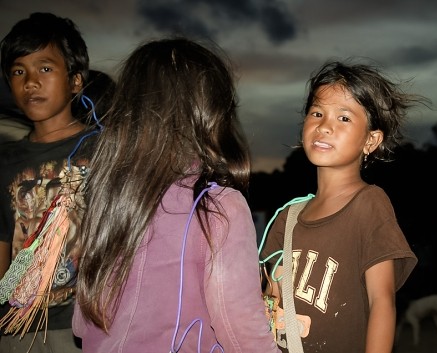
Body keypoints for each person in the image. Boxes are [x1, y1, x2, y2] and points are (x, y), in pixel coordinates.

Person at [72, 37, 281, 353]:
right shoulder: (220, 207)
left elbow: (80, 324)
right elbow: (239, 328)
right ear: (208, 112)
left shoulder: (109, 201)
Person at [260, 60, 429, 353]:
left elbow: (382, 302)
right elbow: (270, 299)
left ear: (371, 140)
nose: (325, 126)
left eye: (344, 118)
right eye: (317, 113)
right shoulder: (287, 217)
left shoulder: (369, 205)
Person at [0, 12, 100, 352]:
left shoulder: (103, 149)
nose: (30, 81)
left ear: (75, 81)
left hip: (85, 326)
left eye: (45, 68)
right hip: (17, 332)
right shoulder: (6, 161)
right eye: (18, 71)